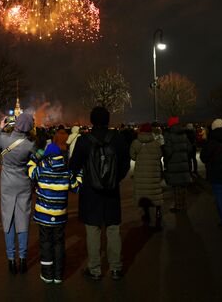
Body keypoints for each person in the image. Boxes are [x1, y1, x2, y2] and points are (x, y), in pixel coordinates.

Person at [69, 106, 130, 281]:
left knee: (93, 230)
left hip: (90, 192)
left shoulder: (84, 140)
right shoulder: (117, 139)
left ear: (92, 120)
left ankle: (94, 269)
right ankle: (116, 268)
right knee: (113, 228)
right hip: (111, 192)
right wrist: (113, 180)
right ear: (108, 120)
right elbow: (125, 164)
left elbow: (73, 166)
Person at [0, 112, 36, 275]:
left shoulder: (4, 139)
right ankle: (23, 260)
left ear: (16, 124)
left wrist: (0, 129)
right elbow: (37, 158)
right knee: (23, 219)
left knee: (8, 219)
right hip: (23, 183)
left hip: (7, 184)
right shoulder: (30, 144)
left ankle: (11, 260)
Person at [28, 142, 81, 284]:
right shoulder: (67, 172)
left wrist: (36, 156)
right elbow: (77, 188)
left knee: (45, 243)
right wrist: (81, 173)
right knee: (59, 244)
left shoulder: (41, 171)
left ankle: (47, 275)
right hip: (60, 216)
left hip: (44, 215)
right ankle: (58, 275)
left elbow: (29, 168)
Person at [130, 123, 164, 229]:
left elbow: (132, 156)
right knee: (155, 193)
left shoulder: (136, 143)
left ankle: (147, 216)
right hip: (154, 171)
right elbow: (160, 155)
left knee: (144, 193)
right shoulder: (156, 144)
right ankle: (158, 215)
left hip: (141, 172)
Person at [162, 117, 192, 213]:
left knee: (176, 187)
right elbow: (189, 148)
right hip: (183, 164)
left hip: (173, 164)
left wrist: (165, 158)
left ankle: (179, 207)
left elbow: (168, 151)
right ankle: (183, 205)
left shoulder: (169, 135)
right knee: (183, 186)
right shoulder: (184, 134)